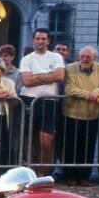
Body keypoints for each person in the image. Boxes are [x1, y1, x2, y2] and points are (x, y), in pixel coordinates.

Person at [61, 46, 99, 186]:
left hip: (92, 115)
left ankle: (84, 176)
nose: (85, 59)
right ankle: (69, 175)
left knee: (88, 147)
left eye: (88, 57)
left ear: (94, 58)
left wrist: (97, 93)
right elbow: (70, 88)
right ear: (78, 57)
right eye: (82, 56)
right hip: (72, 113)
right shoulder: (70, 68)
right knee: (71, 147)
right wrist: (90, 96)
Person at [19, 29, 65, 175]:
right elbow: (26, 81)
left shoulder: (56, 57)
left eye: (43, 39)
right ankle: (32, 170)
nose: (40, 41)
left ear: (48, 41)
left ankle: (43, 171)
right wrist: (48, 75)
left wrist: (37, 76)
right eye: (38, 38)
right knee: (30, 139)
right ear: (33, 40)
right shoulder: (27, 59)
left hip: (49, 102)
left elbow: (59, 76)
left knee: (46, 141)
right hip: (29, 100)